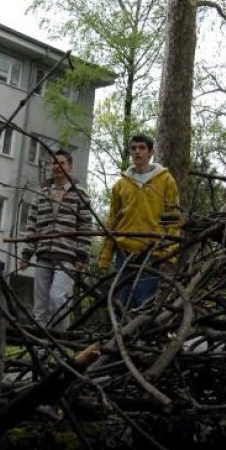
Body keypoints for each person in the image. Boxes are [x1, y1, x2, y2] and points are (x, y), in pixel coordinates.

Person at [98, 134, 182, 309]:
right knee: (122, 300)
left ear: (150, 152)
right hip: (123, 250)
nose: (137, 152)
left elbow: (173, 216)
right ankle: (121, 335)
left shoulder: (166, 180)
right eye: (133, 148)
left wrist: (170, 250)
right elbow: (112, 220)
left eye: (142, 148)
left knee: (144, 301)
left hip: (151, 250)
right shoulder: (121, 184)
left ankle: (142, 336)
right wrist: (106, 256)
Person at [19, 149, 92, 330]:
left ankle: (59, 345)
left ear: (70, 166)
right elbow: (32, 225)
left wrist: (82, 256)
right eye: (54, 163)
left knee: (58, 300)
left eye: (62, 163)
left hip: (67, 257)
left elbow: (85, 227)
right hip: (43, 255)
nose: (57, 167)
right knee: (40, 305)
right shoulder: (42, 194)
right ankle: (41, 349)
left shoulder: (80, 194)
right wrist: (27, 254)